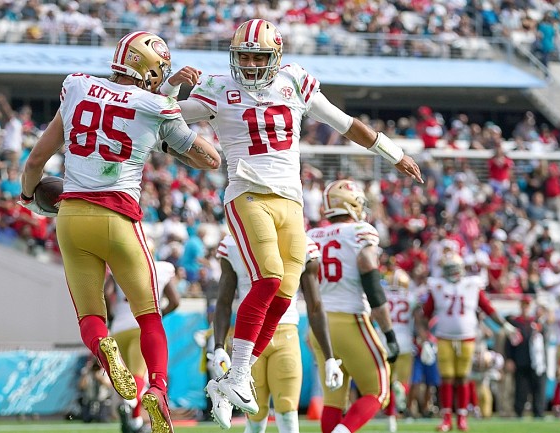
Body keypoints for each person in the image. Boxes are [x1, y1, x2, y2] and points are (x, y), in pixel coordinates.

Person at [173, 18, 422, 415]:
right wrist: (172, 84)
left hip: (290, 201)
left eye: (259, 57)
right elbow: (163, 116)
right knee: (268, 276)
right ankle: (236, 376)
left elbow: (347, 124)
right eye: (245, 57)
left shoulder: (294, 82)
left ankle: (232, 382)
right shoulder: (218, 88)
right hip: (247, 191)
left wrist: (393, 153)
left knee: (284, 295)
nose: (252, 65)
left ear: (276, 57)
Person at [18, 31, 221, 433]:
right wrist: (164, 128)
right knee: (150, 319)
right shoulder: (157, 104)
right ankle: (158, 391)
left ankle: (106, 353)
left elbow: (37, 158)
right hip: (117, 219)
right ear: (151, 71)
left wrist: (28, 198)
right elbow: (209, 160)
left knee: (91, 317)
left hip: (71, 217)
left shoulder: (77, 87)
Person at [207, 234, 341, 431]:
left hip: (283, 333)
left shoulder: (301, 242)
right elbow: (224, 302)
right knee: (254, 414)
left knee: (287, 410)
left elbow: (315, 305)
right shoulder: (233, 242)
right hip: (249, 336)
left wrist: (330, 357)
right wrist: (218, 346)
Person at [305, 180, 399, 433]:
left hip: (319, 326)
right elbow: (368, 267)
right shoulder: (360, 231)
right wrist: (389, 332)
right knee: (378, 391)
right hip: (351, 320)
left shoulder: (311, 236)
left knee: (333, 400)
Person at [419, 254, 520, 432]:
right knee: (447, 378)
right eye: (449, 269)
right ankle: (447, 418)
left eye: (454, 268)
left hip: (467, 337)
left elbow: (488, 308)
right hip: (444, 337)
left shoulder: (472, 286)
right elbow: (424, 315)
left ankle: (462, 418)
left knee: (463, 377)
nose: (452, 272)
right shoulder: (438, 287)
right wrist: (424, 337)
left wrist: (505, 326)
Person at [106, 258, 181, 433]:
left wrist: (111, 317)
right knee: (139, 376)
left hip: (119, 328)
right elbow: (175, 301)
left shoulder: (119, 265)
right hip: (142, 327)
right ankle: (129, 404)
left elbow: (106, 292)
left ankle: (136, 421)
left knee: (127, 377)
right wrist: (159, 315)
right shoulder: (163, 268)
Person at [383, 269, 418, 432]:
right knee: (403, 382)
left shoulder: (383, 295)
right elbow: (419, 318)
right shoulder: (411, 297)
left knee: (387, 383)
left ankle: (391, 416)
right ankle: (400, 389)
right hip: (404, 342)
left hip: (386, 342)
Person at [505, 296, 546, 418]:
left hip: (536, 361)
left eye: (527, 305)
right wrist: (509, 358)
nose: (525, 308)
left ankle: (538, 412)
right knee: (521, 389)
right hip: (521, 360)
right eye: (523, 305)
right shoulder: (515, 323)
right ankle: (519, 412)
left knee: (538, 388)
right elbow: (509, 343)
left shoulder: (535, 323)